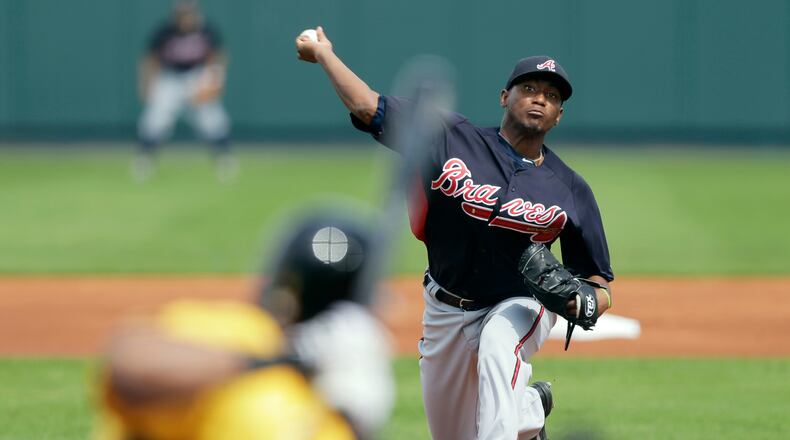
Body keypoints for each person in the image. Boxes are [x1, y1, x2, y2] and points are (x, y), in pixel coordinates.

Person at [296, 27, 614, 440]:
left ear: (558, 115)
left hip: (518, 305)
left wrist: (584, 301)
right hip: (445, 307)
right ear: (505, 97)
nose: (540, 98)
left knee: (501, 343)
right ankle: (530, 408)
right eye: (530, 88)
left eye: (552, 96)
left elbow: (598, 281)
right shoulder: (449, 137)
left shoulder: (570, 189)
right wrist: (324, 54)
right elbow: (366, 106)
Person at [92, 212, 394, 440]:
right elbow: (128, 364)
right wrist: (279, 358)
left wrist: (355, 421)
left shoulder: (337, 393)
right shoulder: (237, 332)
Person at [134, 0, 235, 182]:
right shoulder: (165, 31)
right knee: (155, 119)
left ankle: (224, 159)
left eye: (189, 13)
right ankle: (144, 160)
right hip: (170, 78)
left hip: (197, 77)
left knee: (212, 119)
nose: (185, 18)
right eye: (182, 14)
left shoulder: (206, 30)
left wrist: (215, 80)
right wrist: (146, 85)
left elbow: (218, 56)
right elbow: (150, 59)